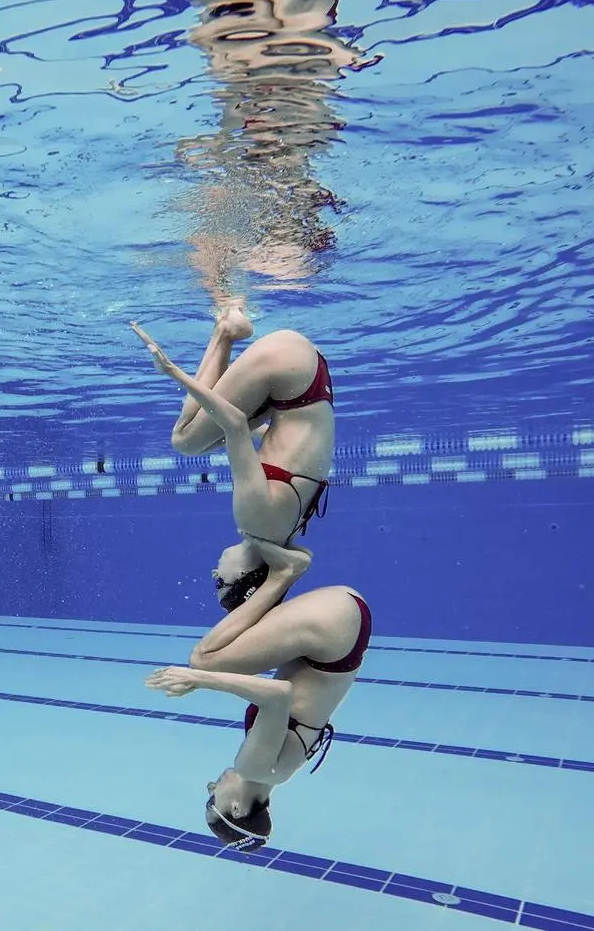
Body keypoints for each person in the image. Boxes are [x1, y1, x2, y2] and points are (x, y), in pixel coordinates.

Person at [146, 539, 372, 852]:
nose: (211, 787)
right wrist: (200, 678)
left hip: (345, 624)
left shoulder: (279, 773)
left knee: (236, 615)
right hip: (332, 626)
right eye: (213, 799)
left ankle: (269, 558)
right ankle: (283, 573)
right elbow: (279, 694)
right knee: (203, 660)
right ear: (236, 809)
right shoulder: (254, 768)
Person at [130, 298, 334, 579]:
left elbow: (277, 440)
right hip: (286, 364)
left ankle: (228, 327)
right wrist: (172, 371)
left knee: (209, 441)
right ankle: (226, 328)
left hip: (309, 376)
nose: (215, 574)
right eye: (222, 584)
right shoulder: (256, 522)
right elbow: (236, 423)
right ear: (245, 575)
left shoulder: (286, 534)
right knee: (184, 440)